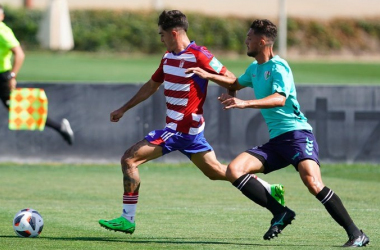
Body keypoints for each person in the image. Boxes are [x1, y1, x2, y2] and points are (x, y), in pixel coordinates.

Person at [98, 10, 285, 235]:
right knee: (217, 171)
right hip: (189, 133)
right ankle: (269, 189)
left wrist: (230, 95)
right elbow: (151, 86)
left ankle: (127, 219)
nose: (161, 39)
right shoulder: (168, 57)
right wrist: (123, 108)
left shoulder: (199, 54)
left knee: (129, 159)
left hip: (180, 129)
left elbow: (230, 77)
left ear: (174, 33)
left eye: (162, 34)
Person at [186, 19, 369, 247]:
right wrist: (207, 75)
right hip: (278, 141)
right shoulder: (254, 69)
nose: (246, 40)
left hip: (298, 135)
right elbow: (234, 82)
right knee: (235, 170)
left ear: (262, 42)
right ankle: (280, 212)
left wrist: (244, 104)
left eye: (250, 37)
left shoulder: (279, 67)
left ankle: (356, 234)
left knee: (312, 182)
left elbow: (279, 99)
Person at [0, 5, 74, 145]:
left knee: (20, 109)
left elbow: (20, 54)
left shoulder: (3, 32)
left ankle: (61, 128)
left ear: (2, 17)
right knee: (17, 108)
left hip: (2, 76)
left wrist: (12, 76)